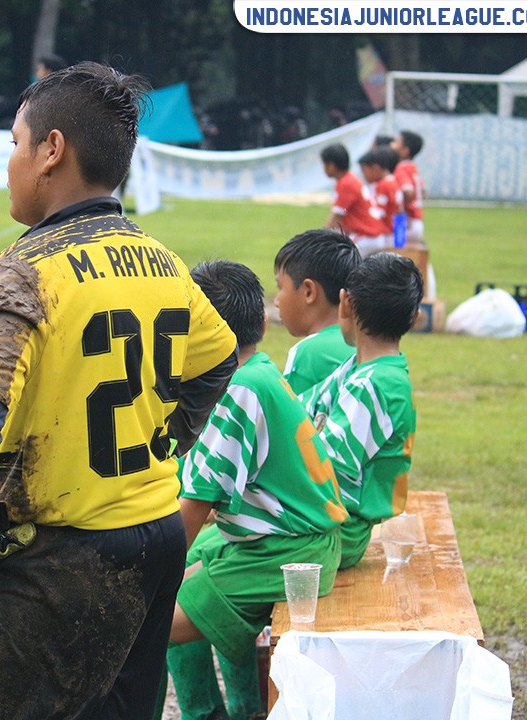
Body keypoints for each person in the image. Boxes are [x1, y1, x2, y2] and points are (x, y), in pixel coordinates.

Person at [0, 61, 238, 719]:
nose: (8, 161)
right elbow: (220, 355)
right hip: (154, 535)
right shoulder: (162, 261)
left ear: (52, 150)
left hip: (53, 553)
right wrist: (170, 436)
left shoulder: (25, 271)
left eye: (14, 142)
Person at [164, 260, 347, 720]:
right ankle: (239, 710)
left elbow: (196, 502)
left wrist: (146, 576)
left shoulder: (236, 390)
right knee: (170, 594)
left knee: (147, 620)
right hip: (279, 544)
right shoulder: (257, 370)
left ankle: (221, 713)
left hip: (285, 553)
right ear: (261, 323)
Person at [300, 252, 421, 569]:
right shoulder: (362, 370)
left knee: (213, 557)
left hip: (336, 531)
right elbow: (299, 410)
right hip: (326, 523)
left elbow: (324, 468)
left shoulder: (374, 384)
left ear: (345, 304)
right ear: (414, 318)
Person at [274, 229, 361, 395]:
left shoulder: (308, 353)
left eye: (280, 287)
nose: (277, 302)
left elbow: (291, 419)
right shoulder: (366, 343)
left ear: (309, 292)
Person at [320, 143, 389, 257]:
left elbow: (337, 216)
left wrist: (320, 238)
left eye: (324, 164)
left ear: (331, 165)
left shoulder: (345, 183)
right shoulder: (350, 179)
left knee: (340, 260)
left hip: (367, 235)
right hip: (372, 235)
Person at [358, 147, 404, 246]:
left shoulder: (383, 185)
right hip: (394, 233)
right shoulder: (393, 182)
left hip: (386, 234)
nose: (363, 175)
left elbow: (379, 214)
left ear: (375, 168)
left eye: (364, 170)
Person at [392, 130, 426, 249]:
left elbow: (408, 190)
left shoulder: (401, 168)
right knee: (417, 256)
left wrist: (401, 208)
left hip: (408, 222)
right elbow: (422, 190)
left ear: (405, 151)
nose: (392, 144)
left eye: (396, 142)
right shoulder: (412, 167)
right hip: (417, 219)